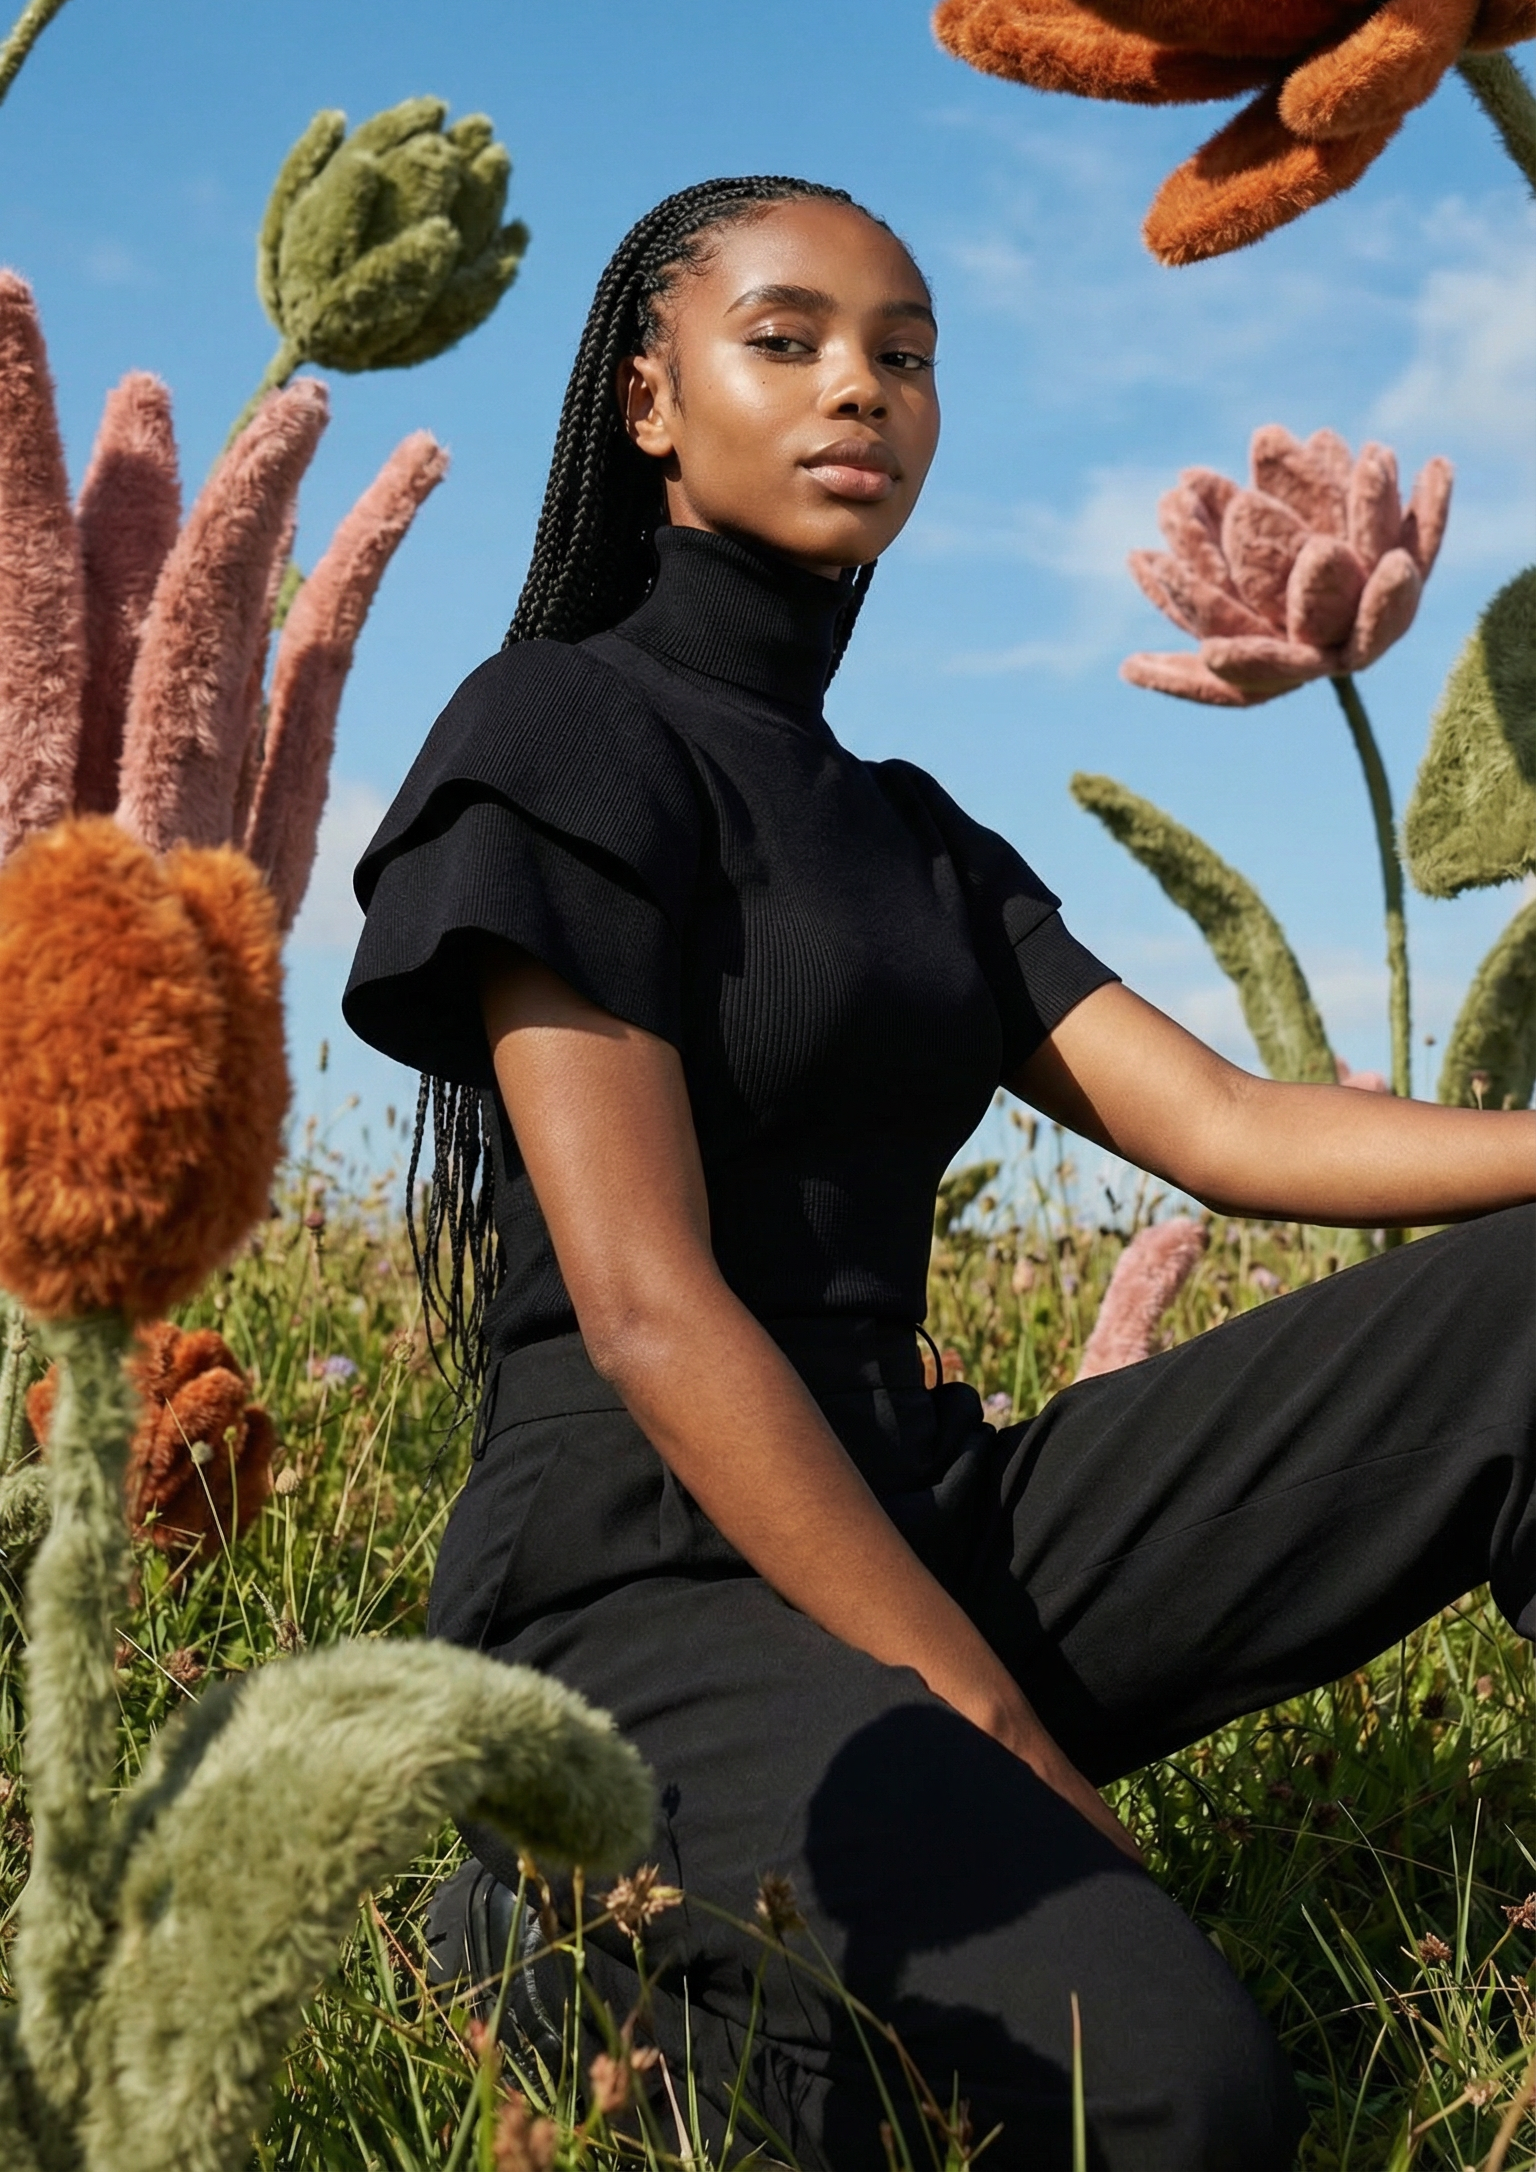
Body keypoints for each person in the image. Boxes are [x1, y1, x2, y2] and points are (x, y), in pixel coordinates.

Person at [344, 175, 1535, 2172]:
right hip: (641, 1583)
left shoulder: (910, 830)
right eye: (789, 339)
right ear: (653, 398)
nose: (859, 392)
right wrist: (988, 1719)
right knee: (1179, 2090)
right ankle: (546, 1935)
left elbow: (1230, 1126)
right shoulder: (558, 730)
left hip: (921, 1495)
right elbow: (643, 1306)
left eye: (903, 355)